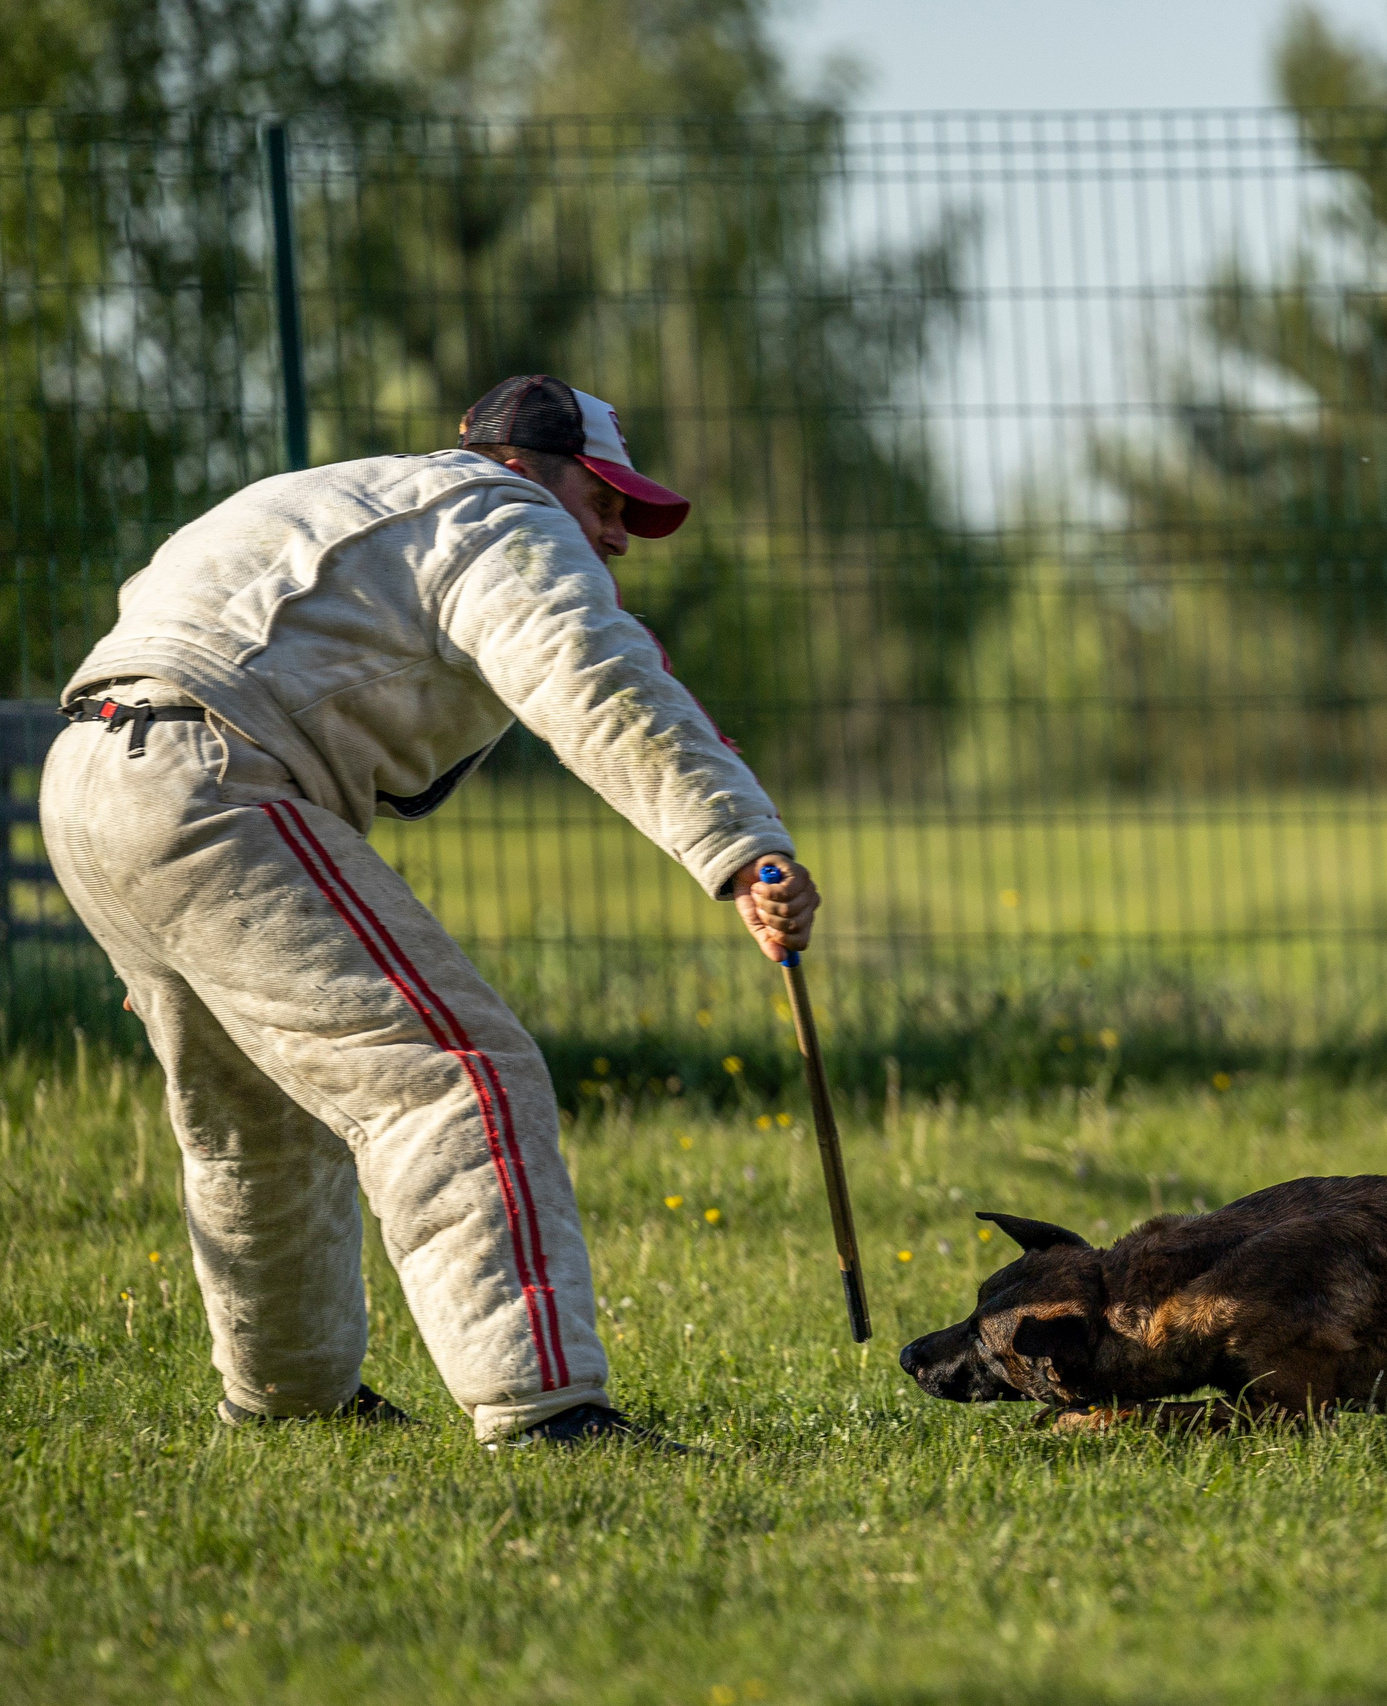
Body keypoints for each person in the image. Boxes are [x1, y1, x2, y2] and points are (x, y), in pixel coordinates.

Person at [40, 374, 816, 1450]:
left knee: (250, 1115)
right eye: (609, 501)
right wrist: (741, 845)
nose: (620, 535)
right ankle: (546, 1410)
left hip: (90, 770)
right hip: (217, 773)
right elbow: (594, 678)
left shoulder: (339, 493)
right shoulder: (501, 515)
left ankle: (287, 1400)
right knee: (460, 1074)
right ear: (536, 469)